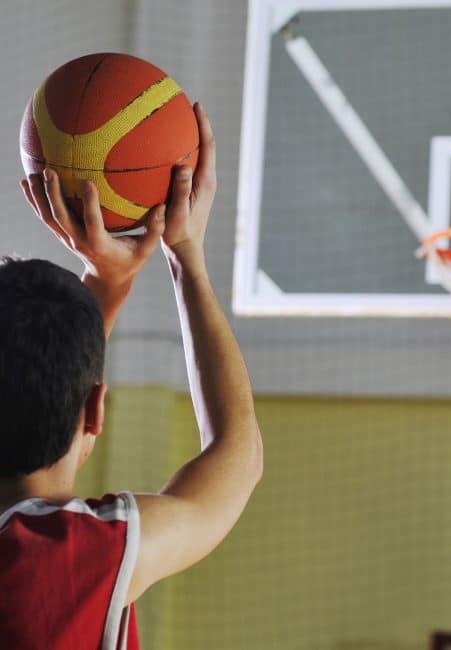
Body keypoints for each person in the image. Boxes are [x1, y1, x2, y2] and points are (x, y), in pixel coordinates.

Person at [0, 103, 263, 649]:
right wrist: (184, 255)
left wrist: (107, 281)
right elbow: (239, 458)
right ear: (96, 411)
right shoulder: (77, 557)